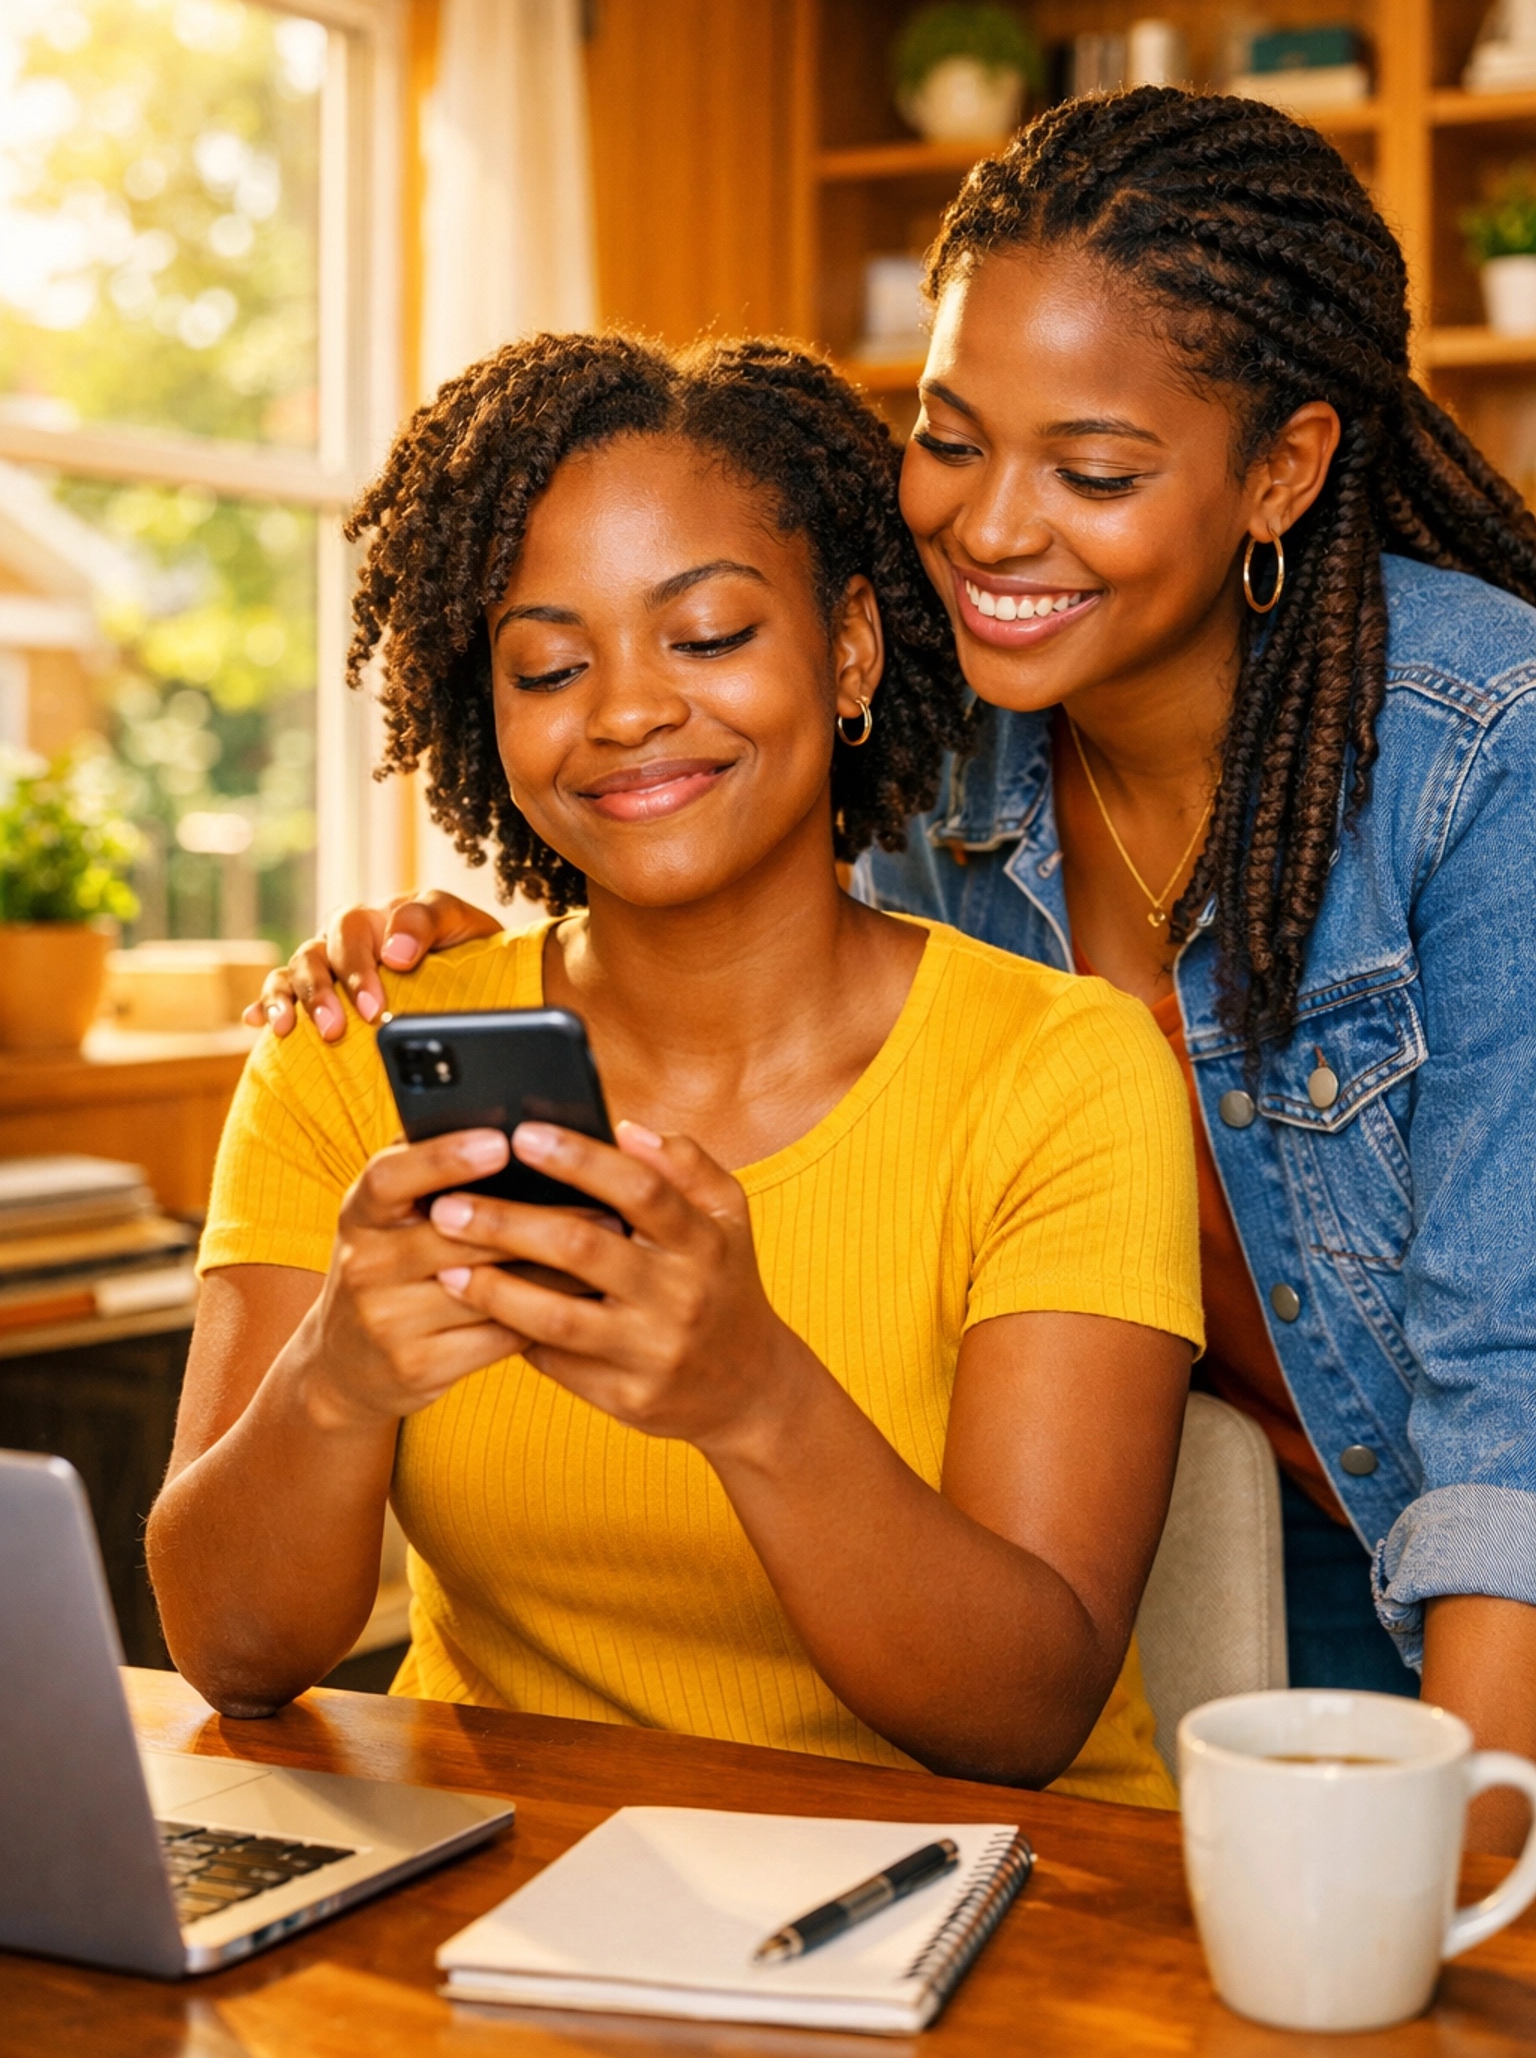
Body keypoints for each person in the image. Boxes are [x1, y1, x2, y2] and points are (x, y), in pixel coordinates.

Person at [276, 95, 1536, 1850]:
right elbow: (713, 876)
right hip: (1252, 1522)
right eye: (950, 439)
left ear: (1284, 468)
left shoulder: (1487, 753)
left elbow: (1514, 1401)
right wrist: (439, 947)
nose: (993, 533)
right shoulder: (946, 746)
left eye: (1093, 474)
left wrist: (1469, 1888)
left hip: (1494, 1556)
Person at [156, 333, 1202, 1808]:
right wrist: (333, 1381)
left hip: (984, 1918)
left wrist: (755, 1398)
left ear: (848, 648)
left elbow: (1024, 1714)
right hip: (505, 1899)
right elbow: (229, 1652)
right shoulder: (354, 1058)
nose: (628, 710)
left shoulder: (1065, 1072)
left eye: (707, 637)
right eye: (549, 664)